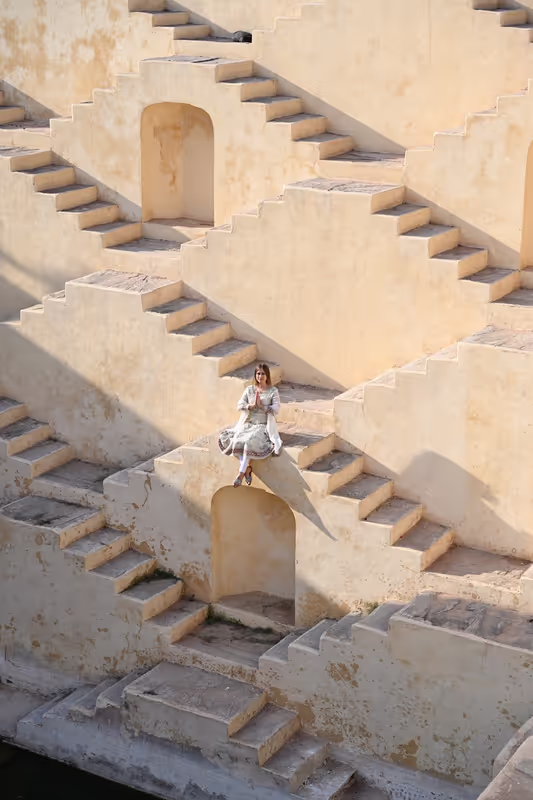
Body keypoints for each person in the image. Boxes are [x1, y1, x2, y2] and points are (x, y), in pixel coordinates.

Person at [218, 363, 282, 487]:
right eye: (258, 373)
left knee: (249, 442)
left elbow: (276, 407)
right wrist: (250, 406)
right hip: (249, 423)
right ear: (255, 375)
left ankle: (240, 474)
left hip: (262, 425)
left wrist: (263, 406)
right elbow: (240, 404)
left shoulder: (273, 391)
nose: (260, 376)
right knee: (237, 440)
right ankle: (247, 469)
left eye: (263, 373)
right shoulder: (250, 390)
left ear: (267, 375)